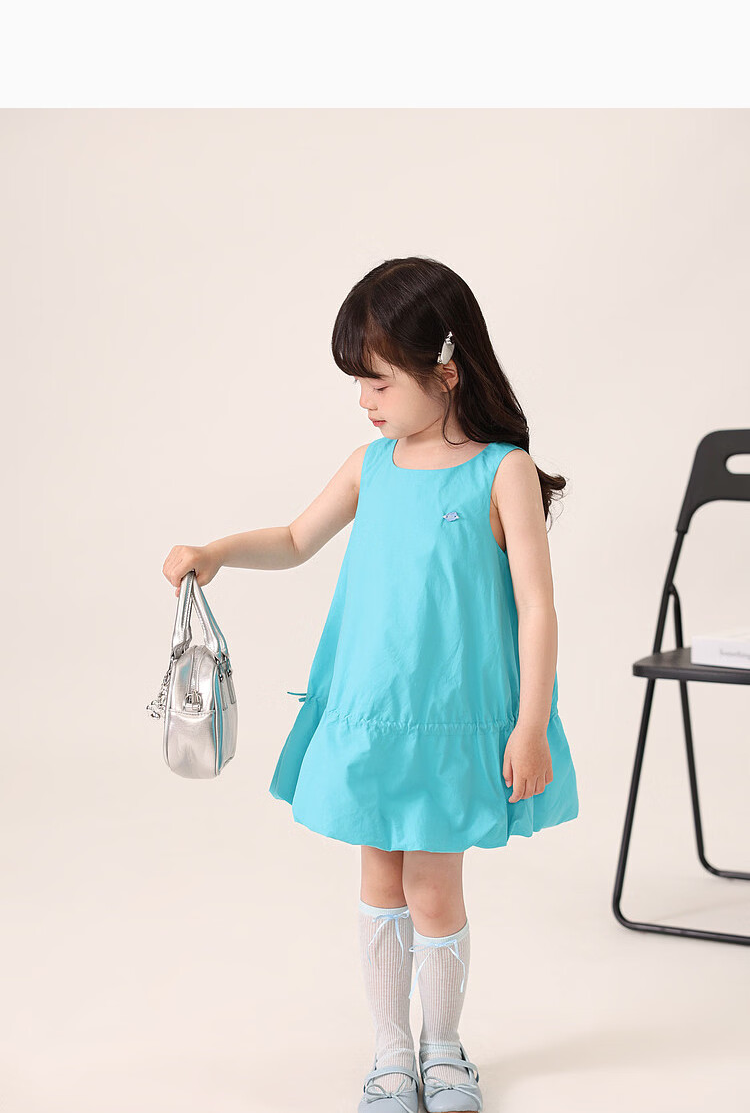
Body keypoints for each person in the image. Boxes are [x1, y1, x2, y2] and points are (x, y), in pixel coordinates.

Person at [162, 256, 579, 1113]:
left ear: (447, 370)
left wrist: (531, 724)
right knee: (381, 881)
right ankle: (391, 1051)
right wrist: (216, 552)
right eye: (359, 381)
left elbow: (537, 607)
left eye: (378, 380)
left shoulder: (502, 472)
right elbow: (293, 539)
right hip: (372, 716)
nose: (364, 399)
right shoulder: (371, 464)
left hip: (452, 721)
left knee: (434, 887)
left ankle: (443, 1049)